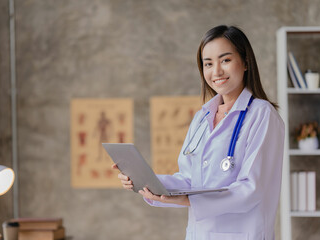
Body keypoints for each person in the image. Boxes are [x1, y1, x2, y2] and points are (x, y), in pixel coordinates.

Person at [112, 25, 285, 240]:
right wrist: (146, 181)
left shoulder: (262, 115)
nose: (217, 71)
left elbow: (251, 189)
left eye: (225, 60)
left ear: (246, 62)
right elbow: (190, 179)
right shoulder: (202, 118)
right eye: (208, 64)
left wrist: (188, 200)